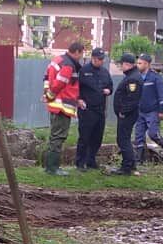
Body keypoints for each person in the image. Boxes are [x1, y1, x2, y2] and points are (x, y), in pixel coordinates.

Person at [41, 40, 85, 176]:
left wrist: (47, 95)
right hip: (62, 107)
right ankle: (53, 168)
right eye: (82, 53)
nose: (82, 56)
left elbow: (47, 78)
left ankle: (49, 167)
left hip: (55, 104)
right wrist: (49, 95)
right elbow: (60, 83)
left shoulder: (57, 60)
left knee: (54, 136)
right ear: (77, 52)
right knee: (58, 137)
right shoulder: (68, 65)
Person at [74, 47, 112, 171]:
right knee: (85, 137)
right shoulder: (84, 71)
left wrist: (109, 90)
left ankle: (91, 160)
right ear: (93, 58)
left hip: (100, 109)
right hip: (87, 109)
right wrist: (78, 99)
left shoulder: (105, 72)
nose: (101, 61)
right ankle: (80, 162)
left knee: (97, 137)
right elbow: (75, 87)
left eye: (102, 59)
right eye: (99, 59)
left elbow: (110, 86)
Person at [109, 52, 144, 176]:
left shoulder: (133, 78)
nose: (121, 66)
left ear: (127, 64)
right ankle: (131, 164)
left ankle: (126, 167)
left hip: (127, 114)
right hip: (128, 114)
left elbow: (132, 99)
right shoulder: (131, 76)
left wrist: (123, 112)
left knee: (123, 139)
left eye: (122, 64)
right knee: (125, 139)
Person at [133, 52, 163, 161]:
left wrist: (162, 111)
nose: (137, 65)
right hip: (140, 112)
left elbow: (162, 94)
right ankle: (139, 160)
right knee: (138, 137)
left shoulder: (154, 77)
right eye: (137, 63)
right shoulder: (136, 77)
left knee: (153, 134)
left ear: (147, 64)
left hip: (152, 111)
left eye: (140, 63)